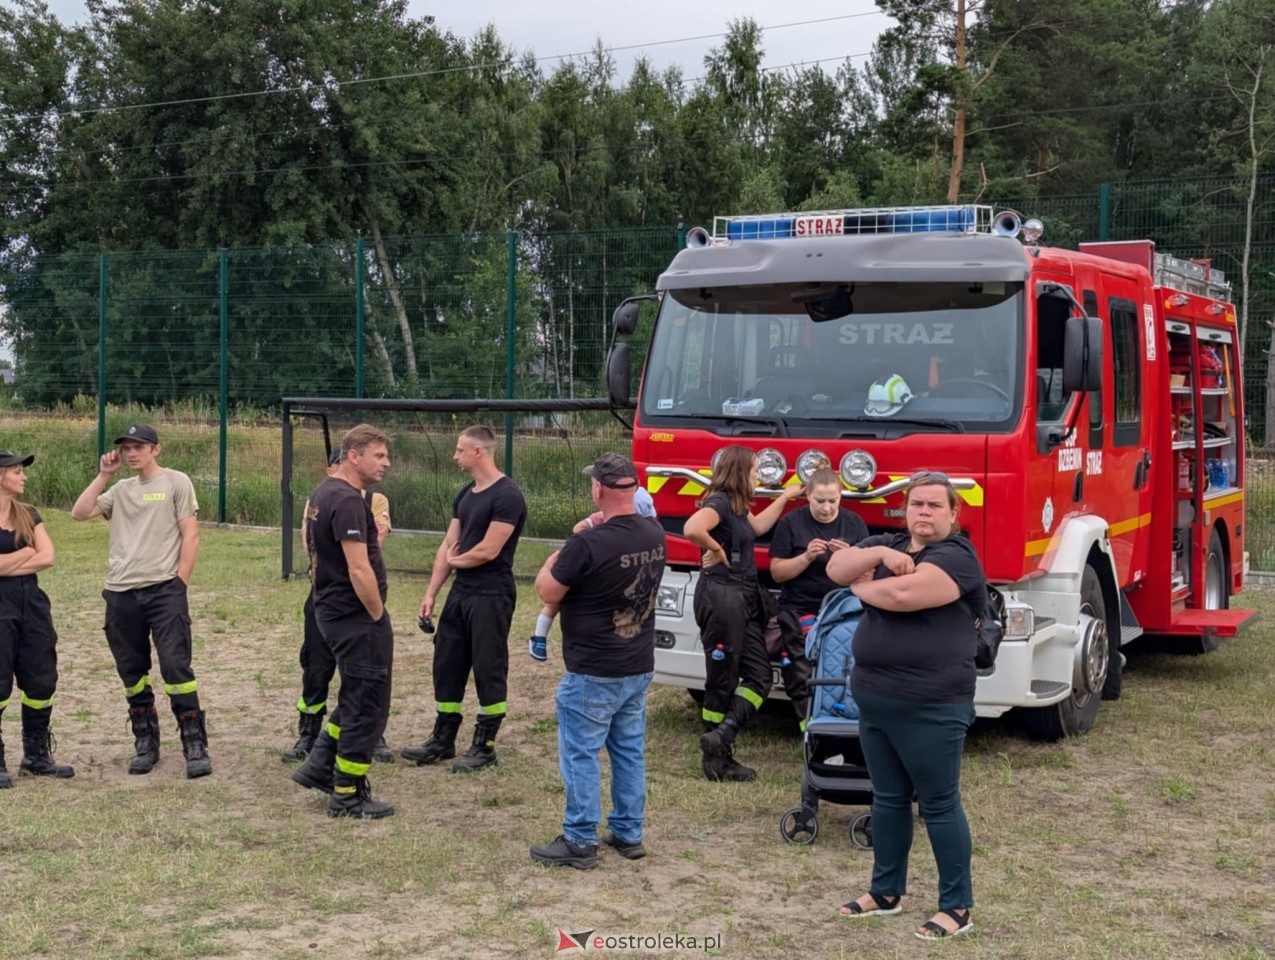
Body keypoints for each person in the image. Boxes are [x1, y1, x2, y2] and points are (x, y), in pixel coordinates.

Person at [826, 470, 984, 940]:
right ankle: (885, 892)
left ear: (954, 514)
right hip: (875, 697)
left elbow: (901, 594)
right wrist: (875, 554)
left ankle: (956, 907)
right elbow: (834, 568)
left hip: (932, 703)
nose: (924, 513)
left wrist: (858, 585)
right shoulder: (890, 543)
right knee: (888, 798)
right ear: (905, 509)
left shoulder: (957, 556)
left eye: (936, 506)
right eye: (917, 504)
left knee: (938, 804)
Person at [529, 453, 666, 869]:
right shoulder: (654, 533)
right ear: (636, 490)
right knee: (627, 750)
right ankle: (628, 832)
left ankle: (580, 839)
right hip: (637, 662)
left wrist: (558, 555)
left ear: (598, 489)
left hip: (594, 668)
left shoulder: (586, 544)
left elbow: (547, 591)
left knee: (580, 753)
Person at [70, 424, 211, 779]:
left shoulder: (176, 482)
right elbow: (79, 512)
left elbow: (190, 535)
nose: (132, 453)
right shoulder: (120, 490)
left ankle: (194, 743)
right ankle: (145, 741)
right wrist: (104, 475)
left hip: (164, 590)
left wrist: (179, 583)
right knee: (132, 673)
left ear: (156, 450)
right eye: (127, 448)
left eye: (139, 447)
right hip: (120, 593)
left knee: (176, 669)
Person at [402, 425, 527, 772]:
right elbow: (449, 544)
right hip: (461, 593)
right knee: (447, 663)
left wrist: (456, 560)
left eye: (459, 450)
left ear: (478, 452)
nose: (454, 456)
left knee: (489, 666)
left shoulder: (508, 495)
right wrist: (431, 592)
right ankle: (442, 740)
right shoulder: (465, 494)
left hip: (492, 593)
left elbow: (488, 549)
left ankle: (484, 745)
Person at [290, 424, 396, 819]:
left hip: (331, 610)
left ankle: (318, 765)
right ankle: (348, 792)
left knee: (355, 693)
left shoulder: (324, 491)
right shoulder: (349, 500)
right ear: (354, 455)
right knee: (367, 703)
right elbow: (358, 567)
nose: (386, 463)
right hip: (354, 616)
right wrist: (376, 613)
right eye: (379, 455)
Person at [682, 445, 804, 781]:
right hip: (723, 596)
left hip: (744, 596)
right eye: (754, 471)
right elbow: (693, 528)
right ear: (739, 472)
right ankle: (716, 760)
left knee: (759, 675)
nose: (757, 476)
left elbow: (759, 526)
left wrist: (787, 496)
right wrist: (716, 549)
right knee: (722, 677)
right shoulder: (719, 502)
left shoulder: (737, 506)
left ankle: (722, 736)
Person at [768, 467, 869, 725]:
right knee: (800, 669)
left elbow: (870, 575)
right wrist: (806, 557)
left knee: (844, 664)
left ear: (841, 497)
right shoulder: (791, 523)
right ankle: (808, 727)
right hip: (799, 608)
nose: (826, 508)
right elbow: (777, 573)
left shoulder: (854, 523)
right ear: (807, 497)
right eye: (820, 501)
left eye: (832, 501)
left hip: (843, 607)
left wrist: (850, 557)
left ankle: (839, 719)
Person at [0, 450, 75, 787]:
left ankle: (35, 756)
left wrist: (13, 561)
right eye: (17, 471)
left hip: (31, 602)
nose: (23, 477)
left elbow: (47, 557)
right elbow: (34, 553)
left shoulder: (28, 514)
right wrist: (25, 552)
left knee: (42, 678)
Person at [528, 486, 657, 661]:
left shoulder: (642, 537)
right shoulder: (600, 521)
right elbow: (578, 529)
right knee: (555, 602)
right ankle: (539, 637)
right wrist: (595, 541)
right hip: (584, 564)